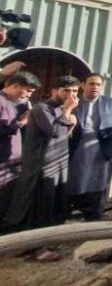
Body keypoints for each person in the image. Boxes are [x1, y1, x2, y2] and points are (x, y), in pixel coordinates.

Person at [5, 76, 79, 260]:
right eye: (66, 91)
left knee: (53, 206)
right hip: (40, 167)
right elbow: (54, 131)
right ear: (54, 91)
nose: (71, 95)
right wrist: (68, 111)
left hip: (57, 165)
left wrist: (70, 121)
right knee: (38, 208)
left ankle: (42, 243)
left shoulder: (61, 110)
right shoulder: (42, 108)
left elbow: (63, 135)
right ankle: (36, 249)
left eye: (75, 91)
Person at [67, 73, 112, 221]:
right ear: (83, 85)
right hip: (77, 148)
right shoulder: (74, 102)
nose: (95, 87)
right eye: (91, 84)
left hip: (101, 149)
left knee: (98, 180)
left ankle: (94, 215)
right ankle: (72, 211)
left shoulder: (110, 102)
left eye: (98, 84)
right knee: (75, 177)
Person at [0, 71, 40, 223]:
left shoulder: (21, 104)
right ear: (15, 86)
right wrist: (20, 123)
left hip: (13, 160)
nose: (29, 95)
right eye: (28, 90)